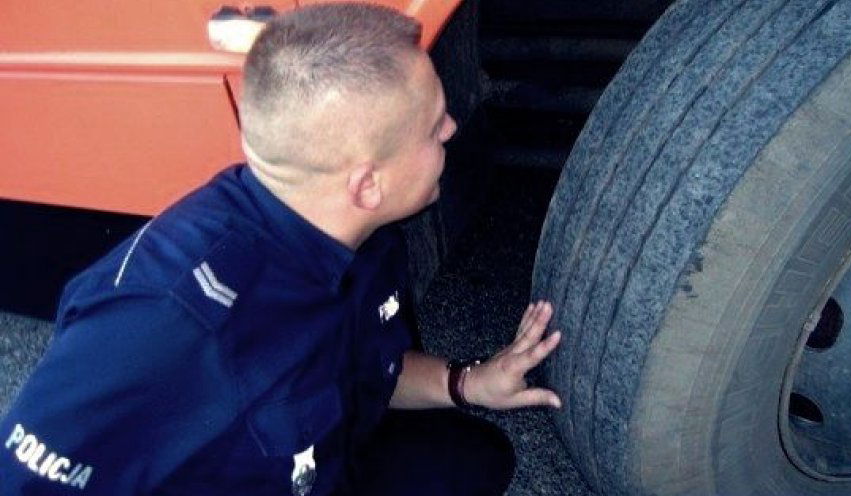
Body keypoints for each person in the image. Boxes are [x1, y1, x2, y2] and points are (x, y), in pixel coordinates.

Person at [0, 3, 563, 495]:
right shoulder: (162, 324)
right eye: (433, 125)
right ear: (367, 185)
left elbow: (368, 369)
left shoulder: (358, 231)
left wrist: (468, 382)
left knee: (475, 459)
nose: (451, 129)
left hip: (327, 462)